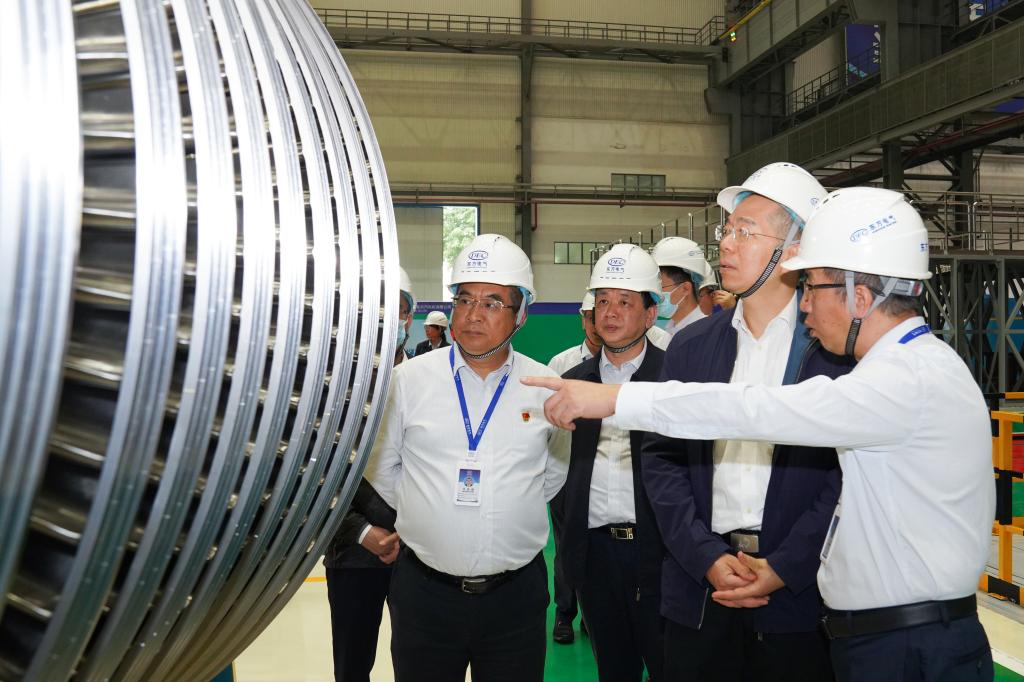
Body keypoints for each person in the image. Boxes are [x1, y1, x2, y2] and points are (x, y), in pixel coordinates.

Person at [525, 187, 996, 682]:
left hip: (908, 646)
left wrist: (613, 400)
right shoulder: (910, 368)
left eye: (812, 286)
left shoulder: (904, 381)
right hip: (887, 637)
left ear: (859, 297)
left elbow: (757, 410)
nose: (805, 303)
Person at [547, 161, 850, 682]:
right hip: (700, 592)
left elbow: (842, 475)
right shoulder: (693, 346)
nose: (725, 244)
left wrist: (785, 566)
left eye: (745, 232)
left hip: (801, 599)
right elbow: (661, 462)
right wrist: (705, 555)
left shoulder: (831, 350)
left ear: (795, 247)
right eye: (726, 230)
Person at [365, 234, 569, 682]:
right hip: (425, 596)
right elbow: (381, 468)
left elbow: (553, 474)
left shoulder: (544, 387)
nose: (474, 314)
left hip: (516, 598)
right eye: (464, 299)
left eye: (492, 302)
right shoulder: (407, 381)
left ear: (521, 314)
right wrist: (430, 511)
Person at [558, 244, 666, 681]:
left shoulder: (674, 379)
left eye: (625, 302)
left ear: (650, 314)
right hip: (595, 556)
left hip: (661, 555)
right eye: (602, 301)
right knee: (613, 671)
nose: (611, 312)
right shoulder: (572, 383)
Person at [322, 266, 414, 682]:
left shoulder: (431, 381)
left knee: (421, 664)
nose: (386, 322)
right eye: (374, 311)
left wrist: (413, 529)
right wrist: (361, 532)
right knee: (353, 666)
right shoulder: (330, 388)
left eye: (396, 310)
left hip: (419, 555)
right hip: (353, 553)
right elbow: (315, 476)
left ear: (408, 317)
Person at [651, 236, 707, 336]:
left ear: (685, 288)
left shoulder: (706, 333)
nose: (655, 295)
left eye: (660, 288)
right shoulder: (669, 329)